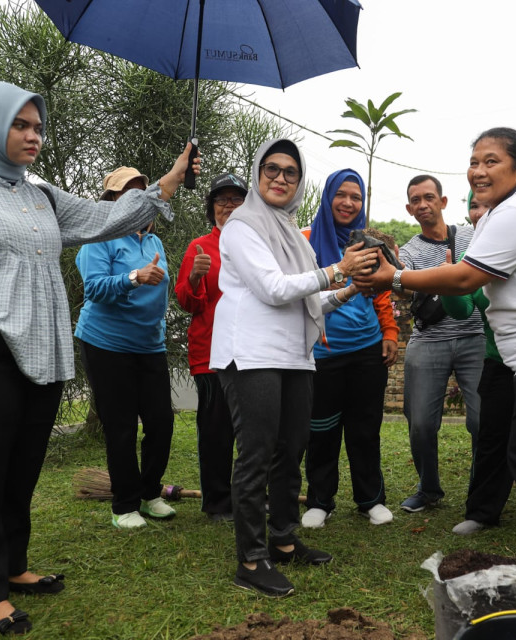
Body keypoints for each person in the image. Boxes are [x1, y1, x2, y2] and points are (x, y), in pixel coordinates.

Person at [0, 81, 198, 634]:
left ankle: (12, 567)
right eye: (21, 125)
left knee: (22, 469)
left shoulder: (41, 196)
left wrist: (168, 182)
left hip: (41, 353)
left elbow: (108, 220)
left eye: (38, 126)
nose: (34, 136)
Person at [356, 127, 516, 602]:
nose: (478, 170)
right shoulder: (498, 215)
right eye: (474, 161)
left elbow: (467, 277)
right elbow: (471, 290)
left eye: (491, 161)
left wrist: (396, 276)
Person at [209, 138, 380, 597]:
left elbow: (306, 296)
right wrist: (336, 269)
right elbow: (271, 288)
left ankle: (282, 540)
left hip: (293, 355)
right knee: (257, 452)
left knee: (291, 450)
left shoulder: (288, 230)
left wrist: (346, 290)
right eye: (271, 169)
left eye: (290, 171)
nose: (281, 178)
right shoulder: (243, 225)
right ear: (256, 174)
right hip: (251, 352)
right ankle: (251, 557)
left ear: (299, 181)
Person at [74, 167, 177, 530]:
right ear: (113, 201)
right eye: (127, 193)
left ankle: (150, 494)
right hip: (106, 344)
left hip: (149, 345)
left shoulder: (154, 243)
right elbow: (96, 289)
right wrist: (135, 277)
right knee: (120, 426)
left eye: (140, 193)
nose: (136, 199)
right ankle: (124, 505)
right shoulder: (99, 238)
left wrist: (159, 324)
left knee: (161, 422)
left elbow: (161, 292)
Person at [300, 169, 399, 529]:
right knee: (321, 430)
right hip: (322, 354)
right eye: (341, 195)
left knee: (365, 427)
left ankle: (370, 499)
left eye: (355, 197)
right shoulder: (306, 240)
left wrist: (389, 330)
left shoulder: (369, 243)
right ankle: (319, 501)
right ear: (328, 198)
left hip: (367, 350)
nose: (348, 202)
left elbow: (384, 290)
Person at [397, 174, 485, 513]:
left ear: (443, 202)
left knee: (482, 420)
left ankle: (480, 490)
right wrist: (394, 269)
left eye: (429, 197)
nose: (423, 205)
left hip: (474, 337)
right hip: (428, 339)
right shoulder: (409, 251)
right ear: (409, 208)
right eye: (416, 200)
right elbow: (403, 283)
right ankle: (428, 488)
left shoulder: (471, 235)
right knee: (419, 421)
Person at [442, 191, 516, 535]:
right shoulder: (473, 256)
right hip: (497, 359)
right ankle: (483, 511)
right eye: (474, 205)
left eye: (489, 205)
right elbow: (462, 309)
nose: (480, 212)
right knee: (491, 437)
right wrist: (448, 281)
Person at [175, 172, 248, 522]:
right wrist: (194, 277)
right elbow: (186, 303)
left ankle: (249, 496)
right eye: (222, 200)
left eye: (236, 200)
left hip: (253, 351)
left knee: (252, 432)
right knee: (217, 431)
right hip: (211, 353)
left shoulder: (256, 245)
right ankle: (218, 502)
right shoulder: (199, 247)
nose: (229, 206)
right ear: (212, 208)